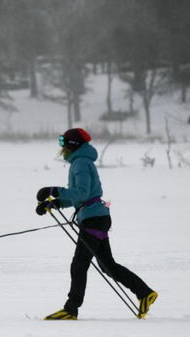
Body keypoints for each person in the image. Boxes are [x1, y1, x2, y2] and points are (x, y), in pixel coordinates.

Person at [35, 128, 158, 320]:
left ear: (72, 145)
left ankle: (71, 309)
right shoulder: (81, 162)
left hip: (93, 219)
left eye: (64, 143)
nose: (61, 148)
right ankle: (144, 293)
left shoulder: (81, 163)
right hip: (97, 217)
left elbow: (82, 193)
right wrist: (55, 202)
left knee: (79, 265)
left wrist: (53, 190)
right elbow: (79, 196)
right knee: (107, 265)